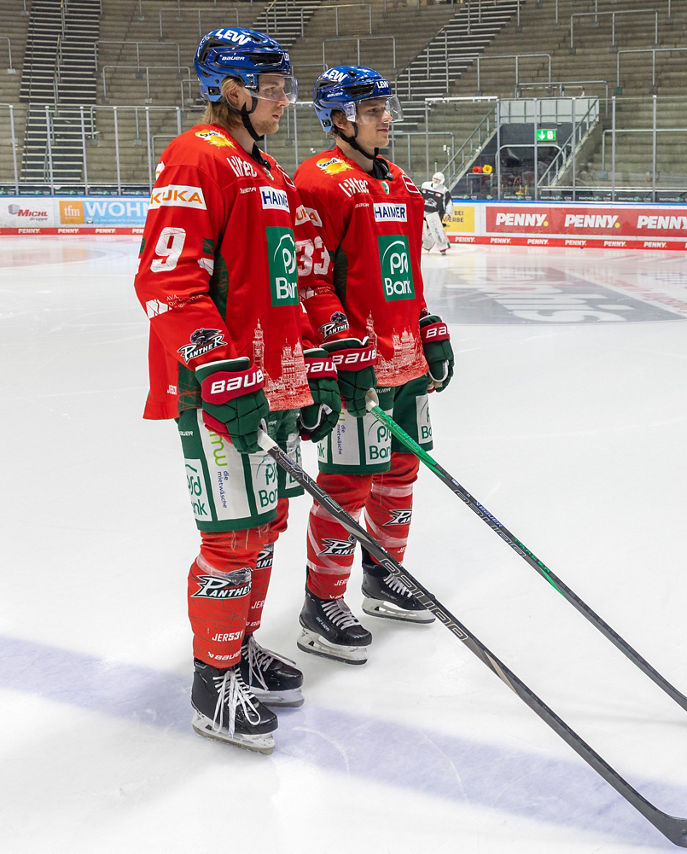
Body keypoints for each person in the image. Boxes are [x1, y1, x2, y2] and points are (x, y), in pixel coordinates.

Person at [134, 27, 344, 754]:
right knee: (229, 538)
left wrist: (309, 367)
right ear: (230, 89)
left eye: (286, 87)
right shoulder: (195, 156)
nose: (285, 100)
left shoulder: (267, 169)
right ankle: (212, 680)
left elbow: (281, 289)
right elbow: (166, 279)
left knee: (263, 527)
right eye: (273, 88)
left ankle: (240, 648)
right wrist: (217, 368)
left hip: (271, 381)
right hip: (218, 388)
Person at [292, 65, 457, 665]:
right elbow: (309, 279)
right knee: (348, 481)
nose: (386, 118)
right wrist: (335, 346)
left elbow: (405, 274)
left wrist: (425, 324)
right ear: (338, 119)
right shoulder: (318, 182)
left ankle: (384, 575)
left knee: (402, 471)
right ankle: (322, 602)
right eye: (371, 110)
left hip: (402, 356)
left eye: (386, 107)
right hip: (355, 361)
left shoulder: (402, 183)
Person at [421, 171, 453, 254]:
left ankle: (443, 247)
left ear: (441, 181)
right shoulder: (425, 185)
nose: (435, 181)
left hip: (435, 213)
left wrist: (448, 213)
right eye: (434, 179)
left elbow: (449, 203)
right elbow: (418, 196)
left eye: (438, 180)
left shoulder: (444, 190)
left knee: (437, 231)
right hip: (423, 211)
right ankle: (427, 245)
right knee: (424, 231)